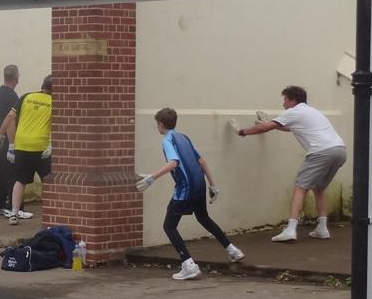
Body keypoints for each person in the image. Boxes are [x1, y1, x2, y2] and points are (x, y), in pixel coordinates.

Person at [137, 107, 243, 281]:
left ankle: (188, 265)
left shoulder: (168, 140)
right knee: (204, 218)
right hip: (199, 186)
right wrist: (212, 185)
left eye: (157, 124)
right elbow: (201, 161)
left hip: (185, 189)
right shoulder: (184, 137)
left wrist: (151, 178)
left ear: (161, 124)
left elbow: (173, 163)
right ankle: (233, 250)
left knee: (169, 226)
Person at [236, 84, 346, 242]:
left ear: (293, 100)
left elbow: (266, 128)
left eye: (285, 100)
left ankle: (290, 230)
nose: (283, 104)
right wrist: (269, 124)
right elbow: (290, 128)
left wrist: (242, 132)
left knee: (300, 187)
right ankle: (322, 228)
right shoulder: (312, 111)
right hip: (340, 150)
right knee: (319, 188)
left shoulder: (294, 112)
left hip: (321, 151)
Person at [0, 74, 53, 223]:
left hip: (21, 146)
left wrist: (2, 136)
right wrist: (52, 144)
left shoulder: (26, 97)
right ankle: (50, 214)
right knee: (48, 182)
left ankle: (14, 213)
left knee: (20, 180)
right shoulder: (55, 101)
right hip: (41, 148)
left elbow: (10, 117)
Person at [0, 64, 22, 217]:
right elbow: (10, 120)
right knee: (11, 171)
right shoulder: (12, 97)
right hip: (6, 139)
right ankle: (12, 205)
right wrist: (12, 144)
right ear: (17, 78)